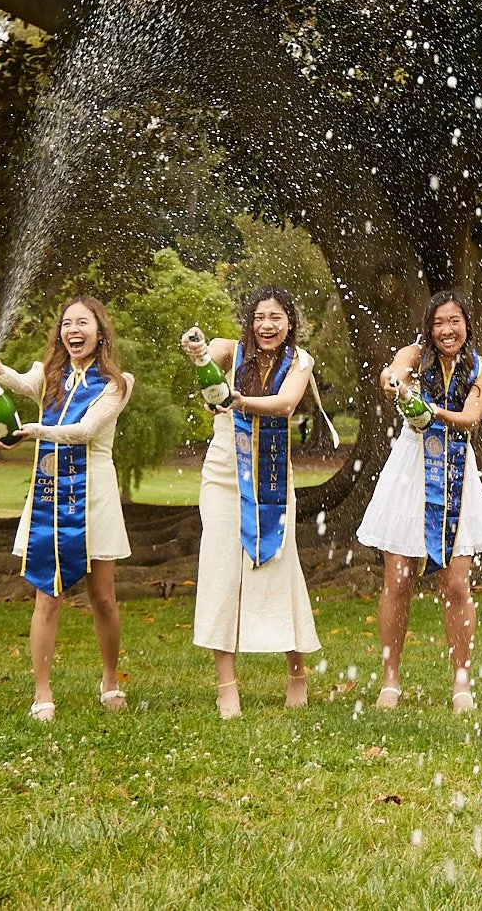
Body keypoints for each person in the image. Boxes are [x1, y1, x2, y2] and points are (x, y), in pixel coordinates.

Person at [0, 297, 134, 722]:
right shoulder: (49, 375)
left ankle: (110, 680)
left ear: (100, 331)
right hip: (49, 497)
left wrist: (35, 431)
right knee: (47, 596)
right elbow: (18, 381)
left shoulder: (117, 384)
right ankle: (42, 692)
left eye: (82, 322)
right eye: (66, 323)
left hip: (95, 497)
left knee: (104, 598)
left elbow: (85, 431)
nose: (73, 330)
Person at [180, 287, 323, 719]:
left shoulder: (300, 361)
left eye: (276, 317)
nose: (267, 325)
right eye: (260, 317)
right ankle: (226, 687)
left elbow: (285, 404)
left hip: (273, 476)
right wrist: (198, 351)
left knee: (280, 565)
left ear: (289, 323)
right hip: (224, 474)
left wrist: (239, 401)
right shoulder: (232, 350)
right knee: (221, 569)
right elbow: (209, 354)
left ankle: (296, 673)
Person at [356, 290, 482, 713]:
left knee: (455, 584)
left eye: (454, 321)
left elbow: (470, 417)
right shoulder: (417, 354)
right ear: (429, 327)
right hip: (410, 471)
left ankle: (462, 683)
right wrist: (396, 382)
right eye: (438, 322)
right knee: (398, 579)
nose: (447, 330)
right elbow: (393, 372)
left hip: (457, 473)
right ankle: (390, 680)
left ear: (467, 323)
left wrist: (428, 410)